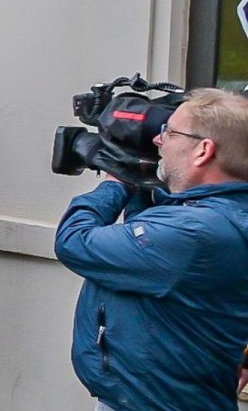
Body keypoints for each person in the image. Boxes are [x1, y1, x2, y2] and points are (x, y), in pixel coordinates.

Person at [55, 89, 248, 411]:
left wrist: (114, 180)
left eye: (169, 132)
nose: (158, 141)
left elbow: (74, 241)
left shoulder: (193, 232)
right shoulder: (218, 214)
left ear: (203, 150)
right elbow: (145, 241)